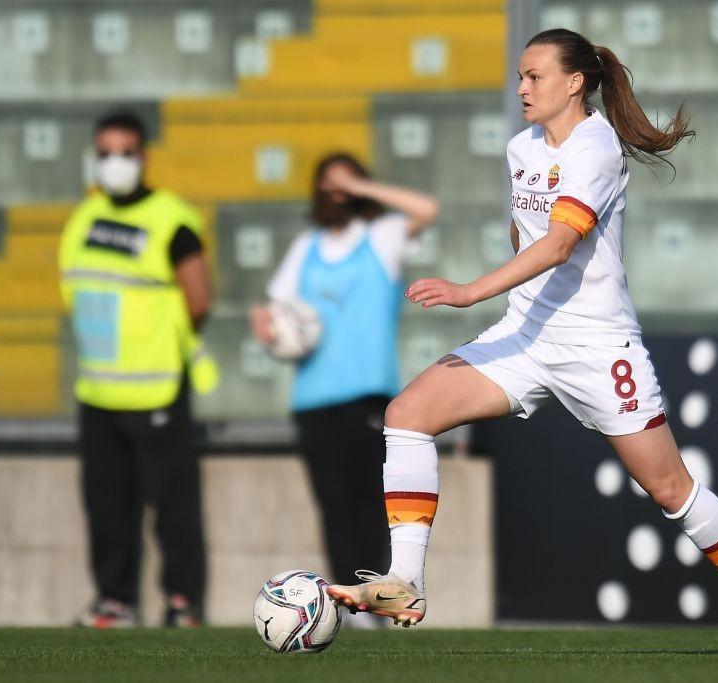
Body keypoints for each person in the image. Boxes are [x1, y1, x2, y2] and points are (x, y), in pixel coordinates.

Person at [327, 29, 718, 656]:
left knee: (670, 490)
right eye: (520, 77)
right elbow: (526, 240)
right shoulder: (522, 147)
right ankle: (405, 581)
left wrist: (469, 292)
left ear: (574, 83)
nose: (522, 88)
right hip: (524, 335)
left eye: (535, 76)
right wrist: (501, 299)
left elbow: (558, 244)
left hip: (598, 347)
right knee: (407, 415)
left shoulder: (596, 148)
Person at [250, 153, 438, 626]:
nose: (335, 193)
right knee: (333, 505)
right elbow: (274, 311)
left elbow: (425, 210)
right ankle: (346, 607)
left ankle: (377, 598)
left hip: (368, 393)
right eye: (327, 184)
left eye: (344, 184)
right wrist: (266, 325)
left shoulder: (379, 239)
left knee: (369, 503)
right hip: (314, 397)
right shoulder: (306, 247)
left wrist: (364, 189)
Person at [59, 111, 218, 627]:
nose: (114, 163)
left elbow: (198, 297)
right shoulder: (83, 217)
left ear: (144, 157)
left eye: (125, 152)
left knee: (173, 507)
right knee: (106, 507)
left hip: (156, 385)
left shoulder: (171, 219)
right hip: (98, 388)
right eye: (105, 152)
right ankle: (115, 601)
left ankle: (182, 603)